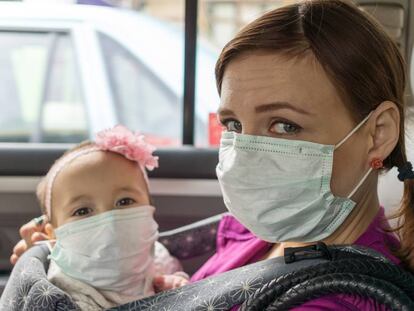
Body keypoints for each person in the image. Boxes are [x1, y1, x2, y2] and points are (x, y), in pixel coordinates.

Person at [11, 0, 414, 309]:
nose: (246, 153)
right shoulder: (262, 231)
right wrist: (79, 266)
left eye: (284, 125)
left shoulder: (333, 298)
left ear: (377, 135)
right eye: (234, 125)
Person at [27, 125, 188, 310]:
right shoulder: (60, 293)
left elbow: (174, 275)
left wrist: (174, 284)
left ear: (150, 207)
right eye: (82, 211)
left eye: (125, 201)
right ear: (53, 234)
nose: (110, 220)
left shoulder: (156, 255)